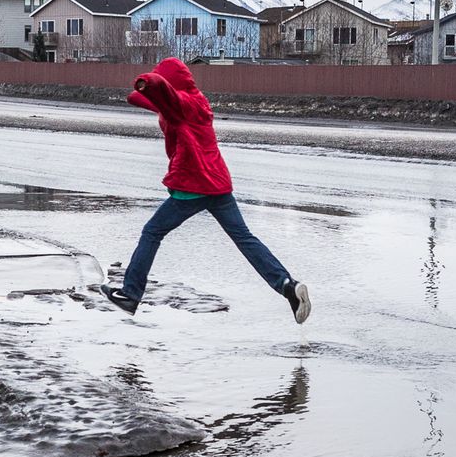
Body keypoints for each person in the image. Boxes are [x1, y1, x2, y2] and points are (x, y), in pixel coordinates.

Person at [100, 57, 311, 323]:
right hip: (218, 184)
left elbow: (160, 89)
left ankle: (130, 294)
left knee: (152, 232)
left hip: (194, 185)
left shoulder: (183, 104)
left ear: (172, 83)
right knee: (245, 239)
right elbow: (140, 98)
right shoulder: (194, 101)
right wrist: (146, 92)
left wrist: (148, 82)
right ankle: (288, 286)